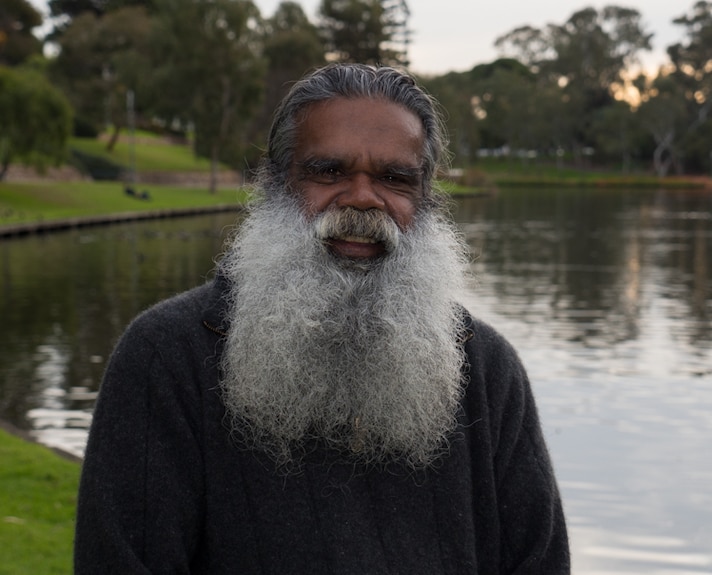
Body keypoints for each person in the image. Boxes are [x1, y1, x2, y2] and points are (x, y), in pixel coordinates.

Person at [74, 63, 570, 574]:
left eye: (394, 179)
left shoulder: (486, 369)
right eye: (328, 171)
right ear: (276, 184)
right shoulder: (166, 356)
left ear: (424, 200)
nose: (361, 198)